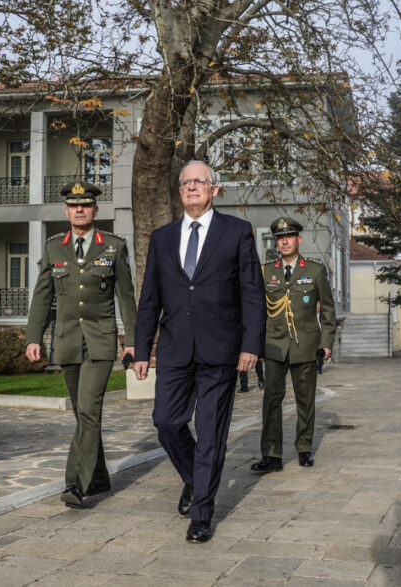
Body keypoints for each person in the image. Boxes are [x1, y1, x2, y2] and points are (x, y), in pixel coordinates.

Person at [133, 161, 265, 544]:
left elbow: (252, 293)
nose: (192, 187)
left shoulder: (236, 232)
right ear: (180, 192)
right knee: (167, 422)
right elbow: (149, 299)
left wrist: (251, 345)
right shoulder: (162, 238)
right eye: (186, 183)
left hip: (220, 350)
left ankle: (202, 513)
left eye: (199, 182)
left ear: (214, 190)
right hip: (174, 348)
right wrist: (143, 349)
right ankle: (195, 479)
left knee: (210, 434)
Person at [25, 180, 136, 509]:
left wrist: (131, 341)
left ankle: (75, 483)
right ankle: (99, 476)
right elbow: (42, 296)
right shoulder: (53, 247)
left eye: (85, 205)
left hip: (101, 343)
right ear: (67, 211)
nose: (79, 210)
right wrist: (33, 338)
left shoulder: (114, 246)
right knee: (82, 414)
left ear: (95, 210)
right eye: (74, 206)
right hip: (68, 343)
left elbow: (127, 300)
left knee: (89, 410)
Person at [251, 216, 336, 473]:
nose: (284, 241)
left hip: (306, 345)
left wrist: (327, 342)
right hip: (275, 344)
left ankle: (304, 448)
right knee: (271, 399)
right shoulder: (266, 272)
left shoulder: (315, 271)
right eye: (280, 237)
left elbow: (329, 311)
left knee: (305, 400)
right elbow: (257, 311)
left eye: (289, 237)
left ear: (299, 239)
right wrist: (256, 345)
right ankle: (272, 455)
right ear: (276, 241)